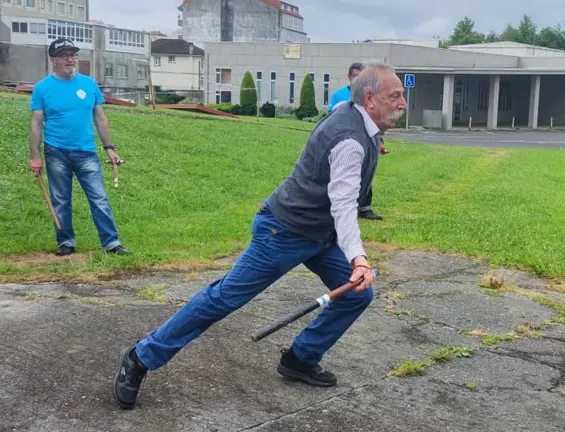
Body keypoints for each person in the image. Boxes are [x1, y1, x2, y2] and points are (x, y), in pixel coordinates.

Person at [112, 62, 407, 410]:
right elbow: (343, 205)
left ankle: (300, 358)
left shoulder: (352, 114)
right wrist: (359, 259)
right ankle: (140, 357)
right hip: (282, 232)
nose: (403, 102)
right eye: (395, 96)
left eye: (402, 94)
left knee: (357, 295)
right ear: (369, 98)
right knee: (223, 298)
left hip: (318, 234)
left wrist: (376, 140)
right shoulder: (350, 142)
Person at [29, 37, 130, 256]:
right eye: (65, 55)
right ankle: (66, 242)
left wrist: (109, 147)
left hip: (86, 152)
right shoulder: (43, 88)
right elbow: (36, 123)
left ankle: (111, 243)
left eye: (73, 54)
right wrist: (35, 157)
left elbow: (100, 118)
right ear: (53, 59)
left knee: (99, 198)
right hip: (56, 151)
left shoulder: (89, 84)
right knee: (61, 199)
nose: (70, 59)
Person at [329, 62, 388, 221]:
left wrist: (379, 142)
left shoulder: (370, 98)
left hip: (365, 140)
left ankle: (364, 208)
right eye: (355, 76)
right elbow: (330, 119)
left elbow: (375, 121)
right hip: (343, 140)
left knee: (365, 172)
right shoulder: (338, 96)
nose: (357, 80)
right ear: (349, 77)